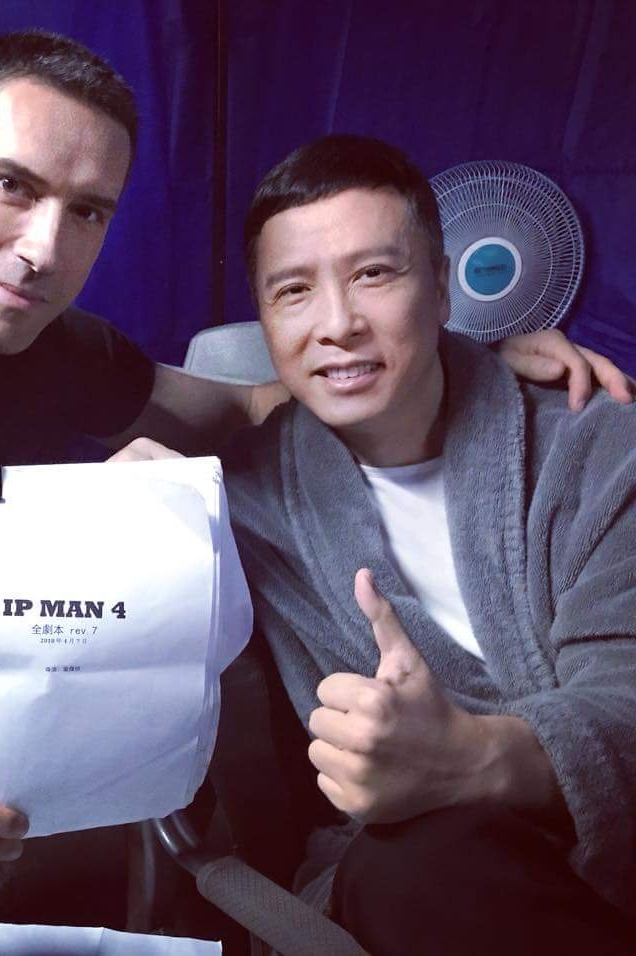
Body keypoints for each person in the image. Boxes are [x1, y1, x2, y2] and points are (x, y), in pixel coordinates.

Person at [0, 31, 627, 955]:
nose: (43, 248)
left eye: (88, 211)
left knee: (55, 864)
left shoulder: (47, 350)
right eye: (11, 185)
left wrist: (463, 363)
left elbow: (254, 400)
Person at [218, 134, 636, 954]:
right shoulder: (247, 501)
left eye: (374, 274)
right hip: (420, 883)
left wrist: (476, 756)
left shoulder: (598, 448)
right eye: (293, 290)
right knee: (414, 865)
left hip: (605, 864)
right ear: (264, 319)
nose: (337, 324)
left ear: (442, 287)